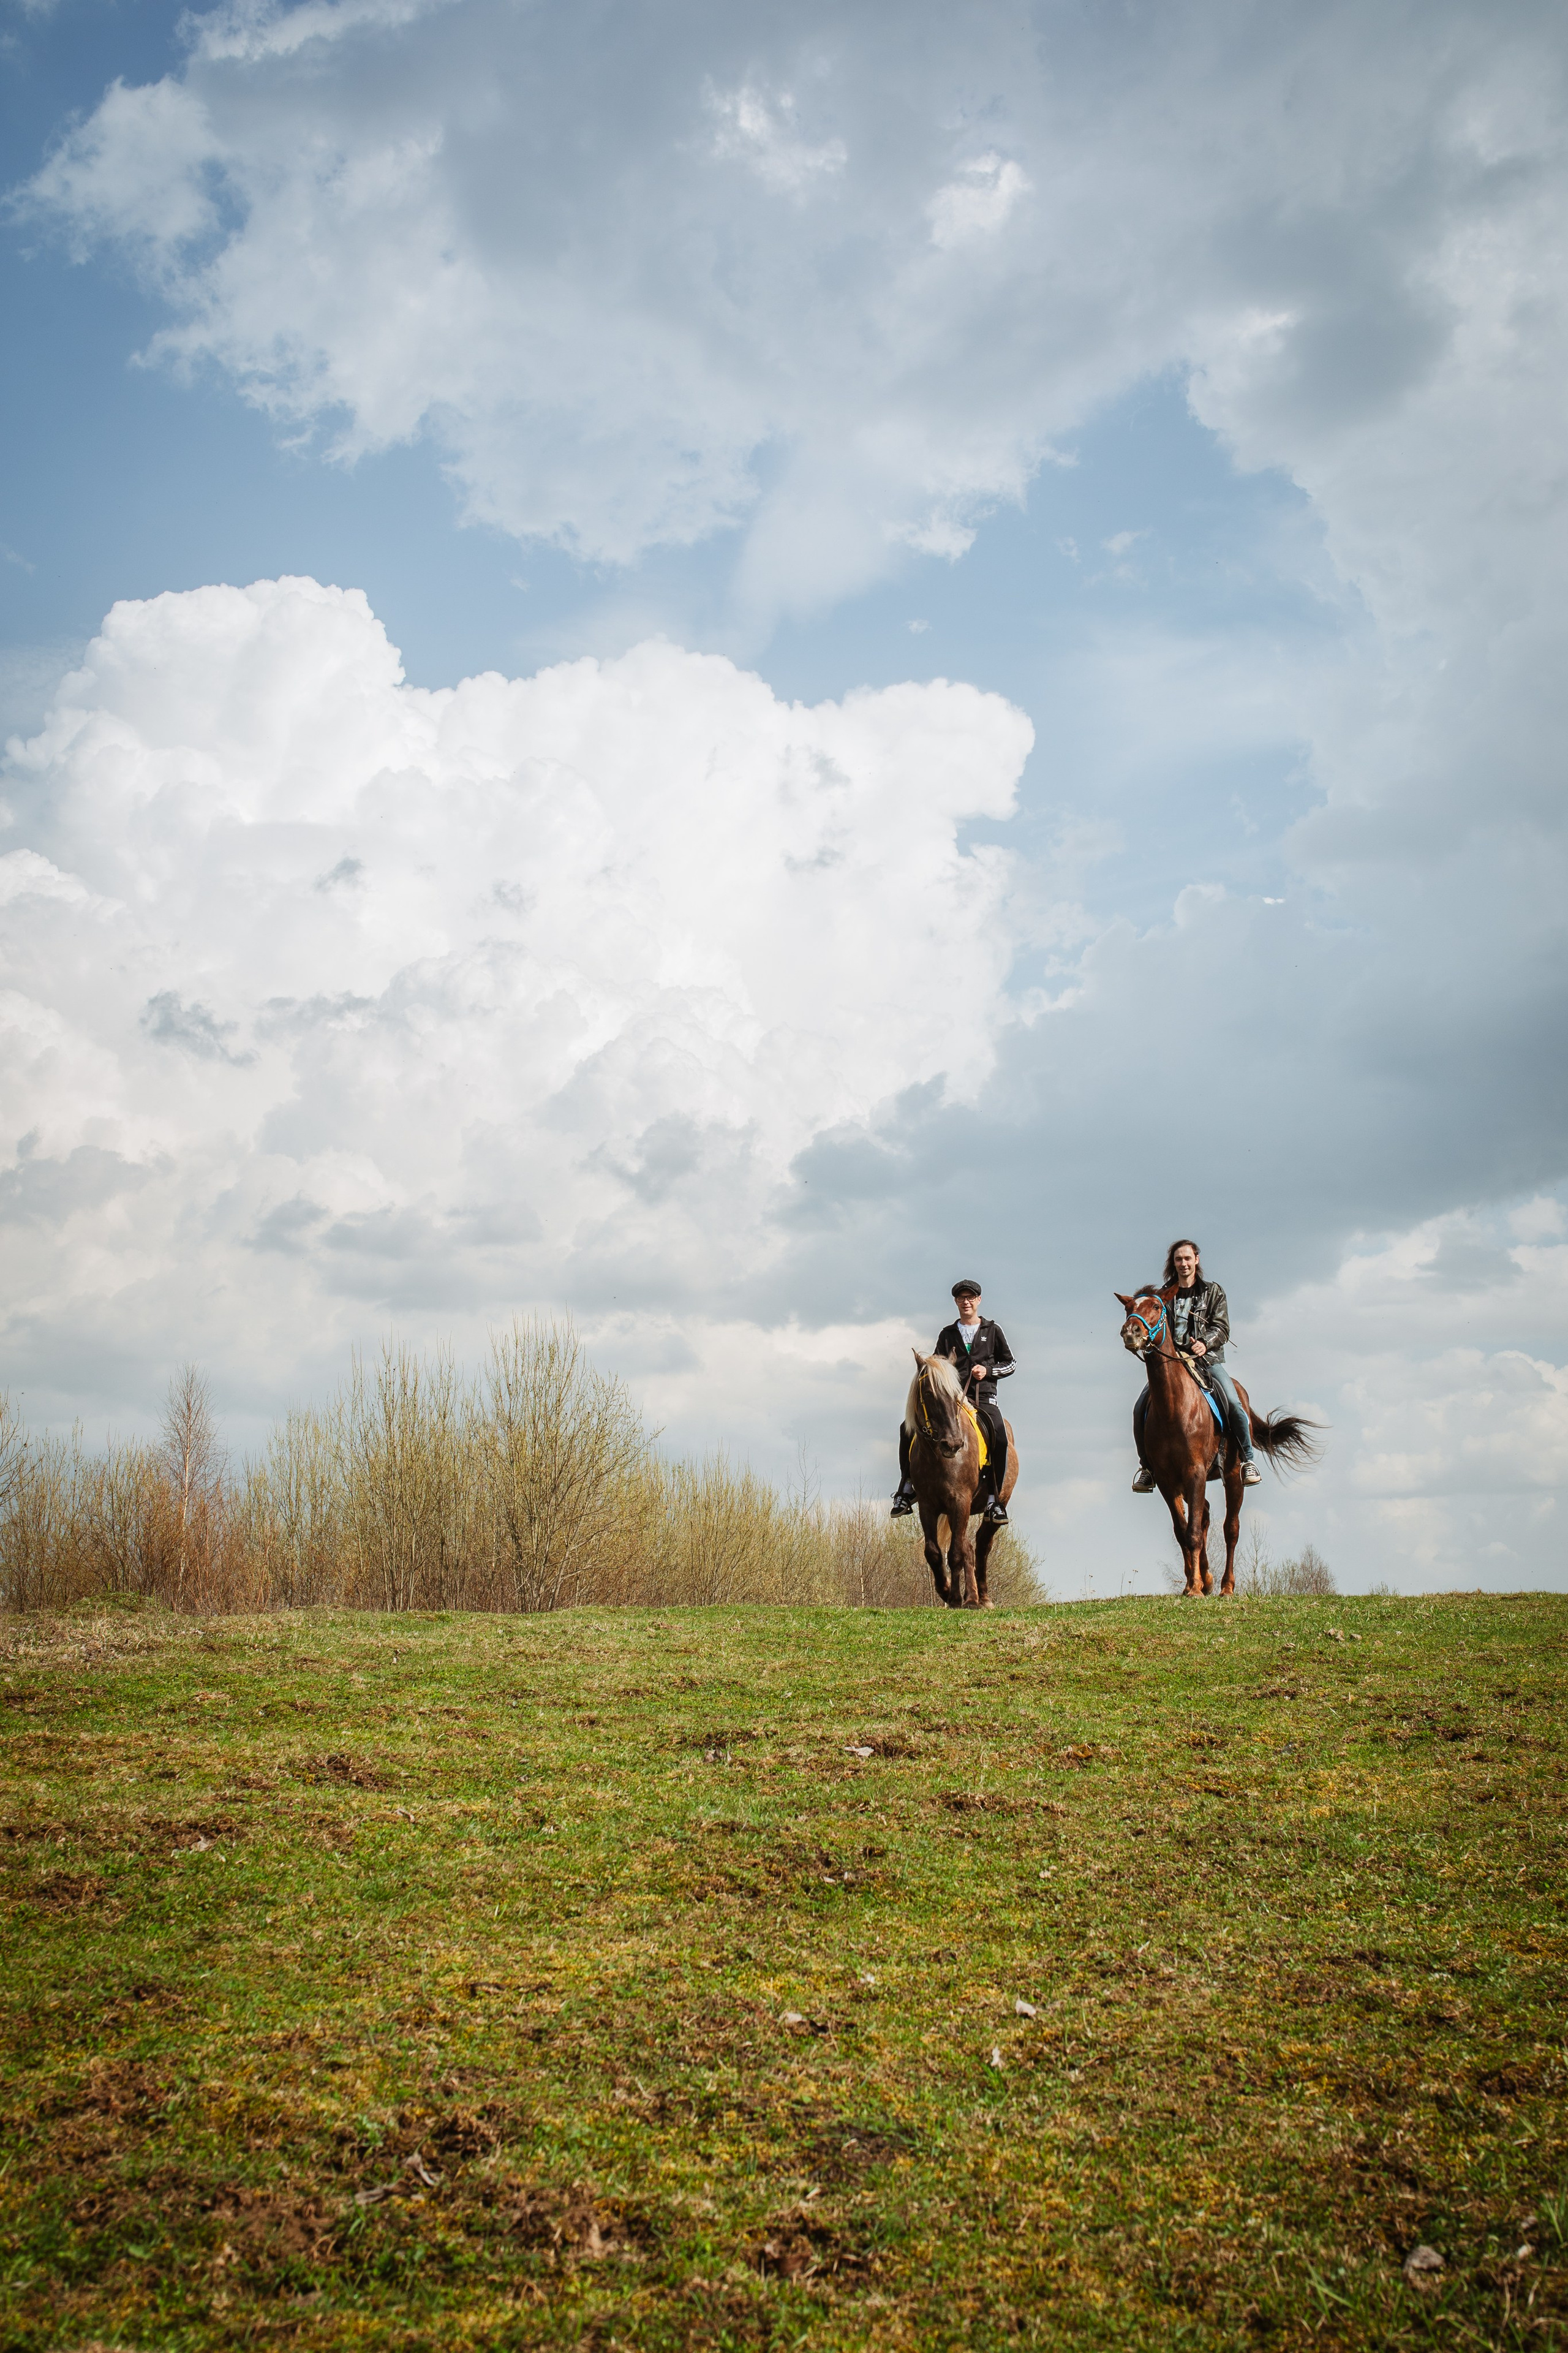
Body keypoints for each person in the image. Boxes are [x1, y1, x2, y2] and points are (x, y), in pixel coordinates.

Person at [1132, 1238, 1261, 1491]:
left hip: (1206, 1360)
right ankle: (1147, 1468)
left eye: (1188, 1259)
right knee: (1139, 1409)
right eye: (1179, 1259)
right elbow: (1154, 1327)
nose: (1183, 1264)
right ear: (1174, 1263)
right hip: (1172, 1364)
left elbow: (1222, 1328)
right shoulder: (1163, 1297)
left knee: (1234, 1403)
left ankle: (1248, 1460)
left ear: (1196, 1260)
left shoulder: (1213, 1291)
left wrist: (1204, 1343)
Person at [892, 1279, 1016, 1524]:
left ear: (978, 1301)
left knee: (1000, 1436)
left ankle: (995, 1500)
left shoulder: (993, 1330)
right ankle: (905, 1489)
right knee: (907, 1429)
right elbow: (939, 1366)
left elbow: (1010, 1363)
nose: (966, 1302)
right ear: (956, 1302)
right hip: (953, 1398)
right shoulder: (947, 1334)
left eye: (971, 1298)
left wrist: (988, 1371)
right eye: (961, 1298)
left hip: (983, 1398)